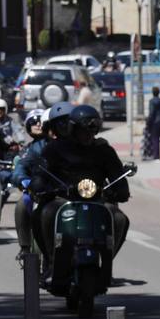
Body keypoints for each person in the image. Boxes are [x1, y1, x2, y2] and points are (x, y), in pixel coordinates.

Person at [39, 104, 131, 261]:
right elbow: (41, 174)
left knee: (119, 219)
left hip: (97, 201)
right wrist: (42, 187)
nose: (88, 134)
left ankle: (106, 260)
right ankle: (51, 259)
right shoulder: (56, 149)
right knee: (45, 214)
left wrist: (119, 190)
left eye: (92, 130)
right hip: (64, 200)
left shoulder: (104, 150)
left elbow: (117, 176)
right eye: (83, 130)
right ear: (73, 129)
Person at [12, 109, 48, 251]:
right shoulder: (30, 149)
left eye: (41, 122)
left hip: (62, 191)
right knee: (21, 206)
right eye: (34, 122)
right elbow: (20, 167)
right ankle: (25, 246)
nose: (38, 125)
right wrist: (22, 179)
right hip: (37, 191)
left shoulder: (66, 146)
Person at [142, 85, 160, 160]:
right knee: (159, 137)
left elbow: (151, 113)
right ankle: (159, 154)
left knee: (154, 138)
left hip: (154, 122)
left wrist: (148, 122)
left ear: (153, 93)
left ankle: (156, 155)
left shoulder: (151, 101)